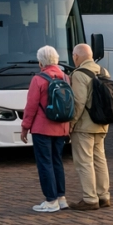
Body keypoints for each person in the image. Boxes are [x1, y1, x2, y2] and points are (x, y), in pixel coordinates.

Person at [21, 46, 70, 212]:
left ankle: (51, 201)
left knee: (45, 163)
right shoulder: (65, 77)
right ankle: (61, 197)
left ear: (41, 61)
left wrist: (25, 127)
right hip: (61, 127)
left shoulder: (38, 79)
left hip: (42, 127)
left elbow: (31, 106)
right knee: (57, 161)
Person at [67, 43, 111, 210]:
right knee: (100, 160)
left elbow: (79, 102)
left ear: (76, 56)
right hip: (102, 123)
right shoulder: (103, 71)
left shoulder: (78, 74)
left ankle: (89, 198)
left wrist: (71, 124)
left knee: (84, 162)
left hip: (85, 125)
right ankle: (103, 195)